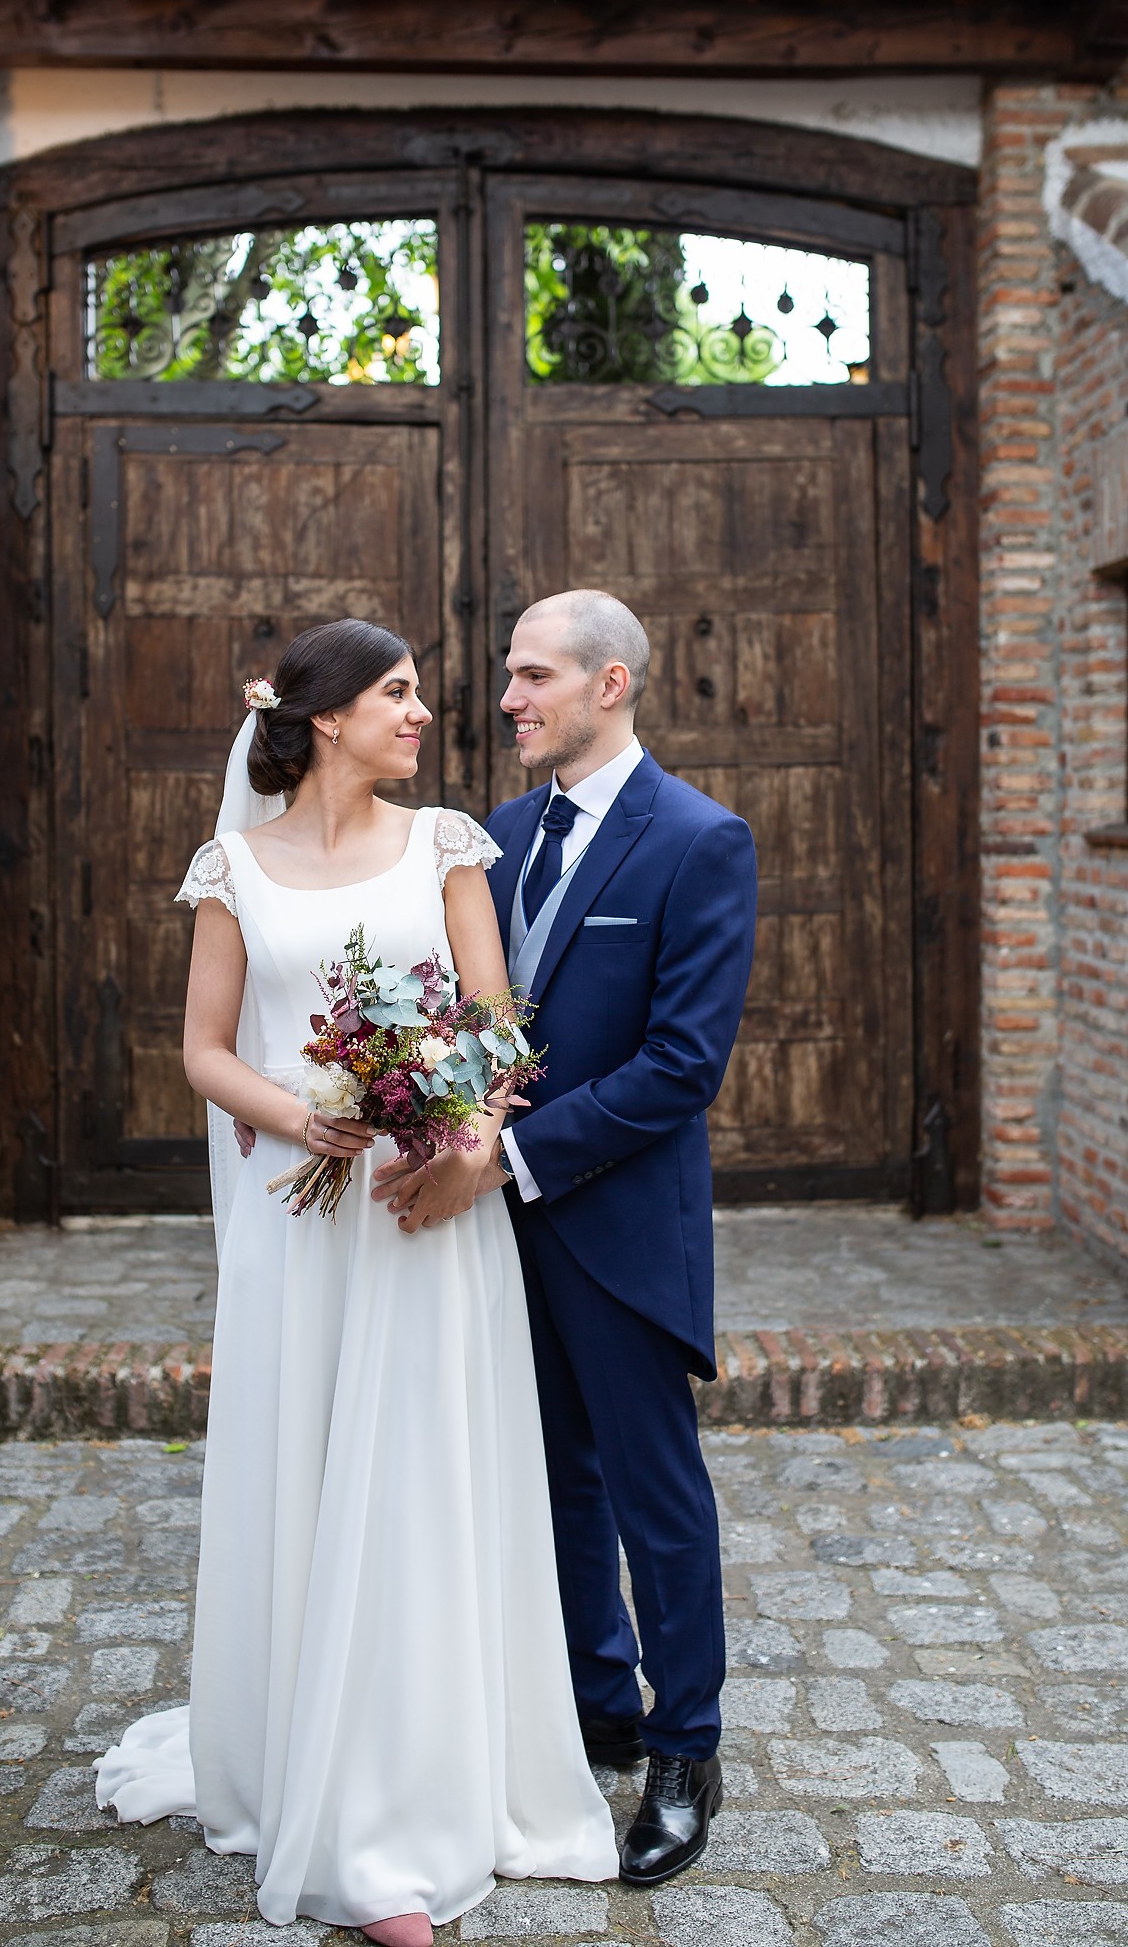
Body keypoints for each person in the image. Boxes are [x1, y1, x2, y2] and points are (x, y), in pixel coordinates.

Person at [93, 618, 617, 1944]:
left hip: (419, 1220)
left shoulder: (446, 845)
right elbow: (204, 1052)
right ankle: (295, 1762)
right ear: (325, 716)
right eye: (397, 693)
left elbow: (498, 1025)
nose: (424, 712)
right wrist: (304, 1109)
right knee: (304, 1471)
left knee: (416, 1482)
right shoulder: (234, 872)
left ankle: (402, 1809)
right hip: (294, 1221)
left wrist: (459, 1126)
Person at [373, 590, 757, 1886]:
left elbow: (679, 1068)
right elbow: (472, 1019)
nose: (505, 700)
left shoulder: (699, 841)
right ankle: (595, 1701)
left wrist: (506, 1159)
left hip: (618, 1224)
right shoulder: (499, 833)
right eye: (506, 676)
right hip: (497, 1233)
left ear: (611, 684)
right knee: (546, 1475)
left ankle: (686, 1747)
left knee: (655, 1495)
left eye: (532, 677)